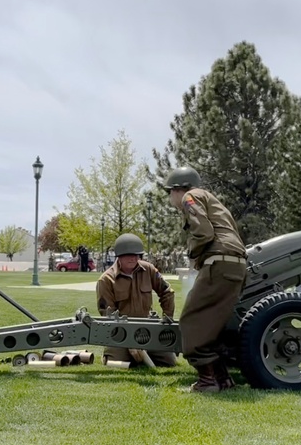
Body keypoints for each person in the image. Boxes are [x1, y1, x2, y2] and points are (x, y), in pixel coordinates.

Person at [163, 166, 248, 392]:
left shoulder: (191, 198)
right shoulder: (213, 200)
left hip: (219, 263)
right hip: (236, 265)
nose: (170, 198)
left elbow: (204, 233)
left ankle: (207, 381)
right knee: (213, 324)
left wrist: (192, 254)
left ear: (177, 189)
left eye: (169, 192)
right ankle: (222, 379)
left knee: (192, 320)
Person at [96, 233, 178, 368]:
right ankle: (114, 354)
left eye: (137, 254)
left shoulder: (149, 270)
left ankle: (143, 353)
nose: (133, 258)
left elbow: (167, 292)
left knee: (169, 362)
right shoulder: (106, 280)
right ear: (119, 256)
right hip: (121, 332)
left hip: (147, 328)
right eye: (128, 254)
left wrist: (167, 320)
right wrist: (127, 339)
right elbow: (108, 314)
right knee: (115, 363)